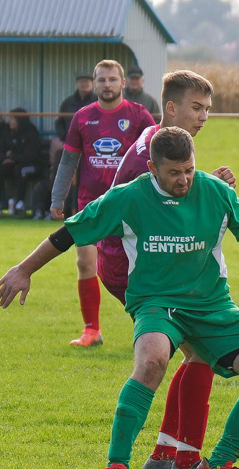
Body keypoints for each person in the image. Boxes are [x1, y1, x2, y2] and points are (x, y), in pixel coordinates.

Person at [0, 126, 239, 469]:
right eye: (173, 173)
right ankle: (115, 468)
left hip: (211, 304)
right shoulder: (128, 197)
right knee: (151, 362)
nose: (184, 180)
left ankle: (217, 467)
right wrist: (24, 270)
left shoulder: (214, 191)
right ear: (151, 167)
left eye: (188, 170)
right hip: (156, 302)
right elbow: (70, 232)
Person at [103, 70, 235, 469]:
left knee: (196, 352)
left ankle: (166, 452)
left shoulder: (161, 148)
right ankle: (181, 460)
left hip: (140, 262)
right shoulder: (148, 149)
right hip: (140, 267)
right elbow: (144, 212)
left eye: (208, 109)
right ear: (172, 108)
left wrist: (211, 184)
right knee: (203, 350)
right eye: (197, 108)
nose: (204, 117)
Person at [48, 59, 155, 347]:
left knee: (135, 266)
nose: (107, 85)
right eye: (101, 80)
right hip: (90, 202)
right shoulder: (82, 117)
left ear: (123, 83)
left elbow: (159, 153)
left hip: (129, 205)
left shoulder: (139, 115)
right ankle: (91, 330)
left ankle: (150, 327)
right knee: (85, 262)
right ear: (94, 84)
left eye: (112, 79)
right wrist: (58, 199)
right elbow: (69, 160)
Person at [0, 108, 44, 214]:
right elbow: (0, 149)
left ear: (20, 120)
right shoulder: (7, 132)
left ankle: (20, 203)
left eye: (12, 119)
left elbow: (29, 156)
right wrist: (5, 158)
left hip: (32, 165)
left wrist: (12, 156)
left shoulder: (31, 132)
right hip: (12, 163)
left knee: (21, 170)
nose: (10, 121)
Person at [50, 72, 98, 178]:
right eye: (81, 82)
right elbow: (59, 122)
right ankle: (55, 194)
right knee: (61, 169)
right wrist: (65, 138)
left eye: (87, 82)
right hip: (71, 146)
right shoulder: (68, 102)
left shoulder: (98, 101)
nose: (84, 84)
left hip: (93, 148)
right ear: (76, 84)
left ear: (93, 84)